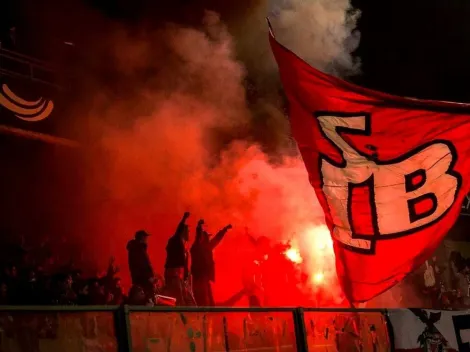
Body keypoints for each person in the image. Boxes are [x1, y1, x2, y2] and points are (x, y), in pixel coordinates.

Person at [191, 219, 232, 306]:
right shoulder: (198, 248)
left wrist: (224, 230)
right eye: (207, 237)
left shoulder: (206, 248)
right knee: (203, 302)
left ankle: (209, 314)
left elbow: (217, 239)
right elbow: (198, 237)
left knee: (210, 303)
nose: (209, 239)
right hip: (199, 278)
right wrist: (199, 227)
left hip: (204, 278)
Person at [164, 212, 191, 305]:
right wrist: (184, 218)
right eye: (187, 231)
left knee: (181, 298)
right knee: (178, 299)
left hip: (178, 276)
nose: (189, 233)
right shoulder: (176, 240)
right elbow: (178, 230)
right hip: (174, 275)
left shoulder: (183, 244)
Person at [127, 230, 154, 298]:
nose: (146, 239)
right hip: (143, 280)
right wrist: (148, 277)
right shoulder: (138, 249)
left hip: (140, 279)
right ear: (142, 238)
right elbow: (142, 265)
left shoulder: (135, 248)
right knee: (146, 298)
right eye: (145, 237)